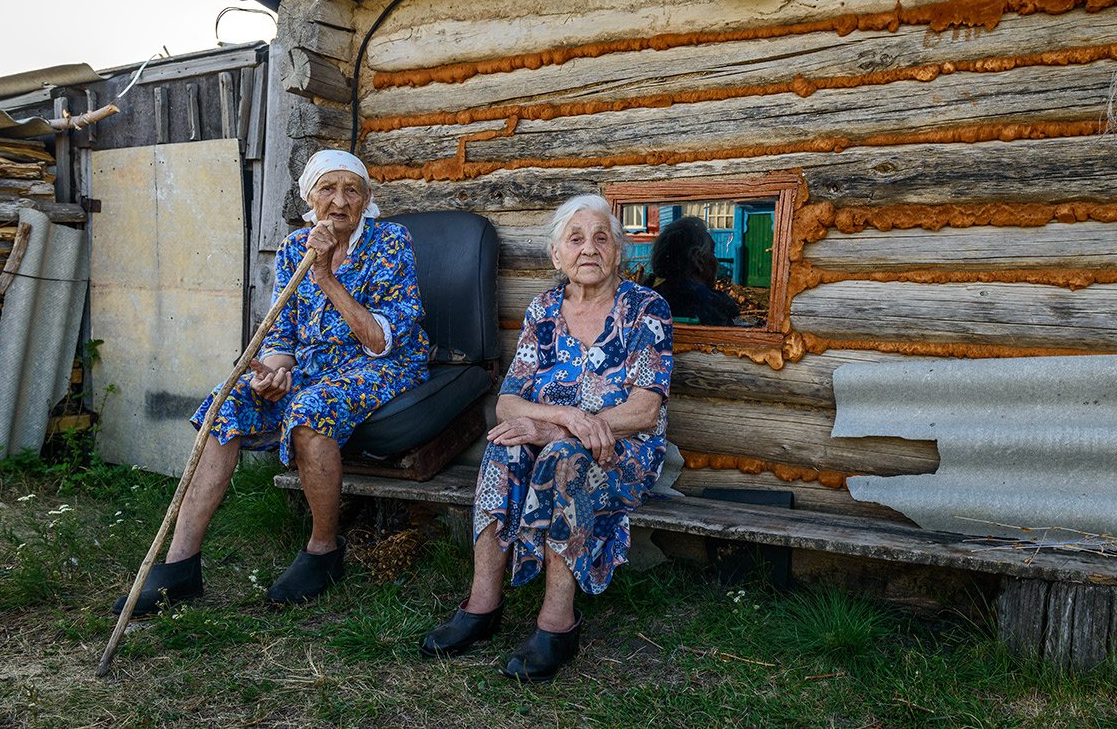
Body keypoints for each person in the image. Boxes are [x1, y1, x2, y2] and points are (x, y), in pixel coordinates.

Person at [113, 150, 429, 615]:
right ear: (309, 198)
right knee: (227, 403)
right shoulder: (291, 248)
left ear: (366, 200)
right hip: (314, 363)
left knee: (309, 410)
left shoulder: (391, 242)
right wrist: (274, 372)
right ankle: (180, 566)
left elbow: (379, 340)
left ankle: (323, 551)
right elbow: (281, 334)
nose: (339, 201)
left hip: (383, 363)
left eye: (351, 190)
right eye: (327, 189)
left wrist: (325, 278)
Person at [421, 194, 674, 683]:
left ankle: (557, 622)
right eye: (575, 239)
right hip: (565, 432)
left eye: (602, 238)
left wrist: (563, 429)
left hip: (621, 449)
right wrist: (565, 418)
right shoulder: (544, 309)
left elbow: (644, 411)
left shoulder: (647, 309)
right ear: (557, 255)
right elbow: (510, 403)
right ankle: (482, 605)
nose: (589, 249)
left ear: (618, 252)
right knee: (504, 443)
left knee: (562, 455)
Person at [645, 216, 740, 326]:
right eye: (712, 253)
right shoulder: (714, 303)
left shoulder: (648, 298)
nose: (715, 261)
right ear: (698, 260)